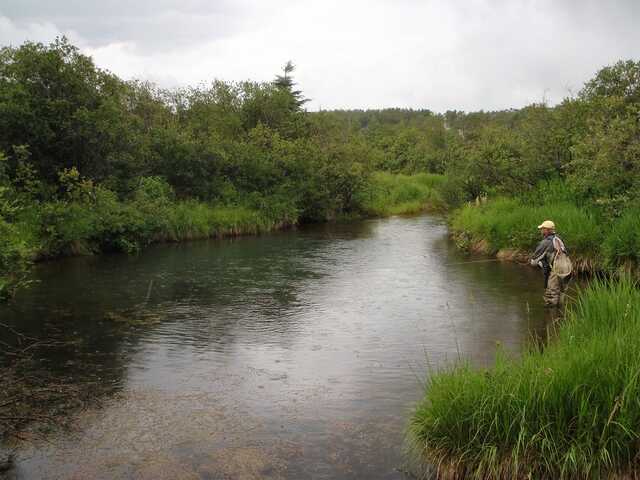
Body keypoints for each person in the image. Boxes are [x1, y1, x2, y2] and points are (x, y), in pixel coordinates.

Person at [530, 220, 570, 307]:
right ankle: (561, 314)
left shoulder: (545, 242)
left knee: (551, 293)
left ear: (547, 230)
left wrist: (540, 264)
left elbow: (533, 261)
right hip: (567, 267)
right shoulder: (559, 238)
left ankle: (551, 317)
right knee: (562, 292)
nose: (541, 231)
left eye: (542, 229)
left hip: (557, 267)